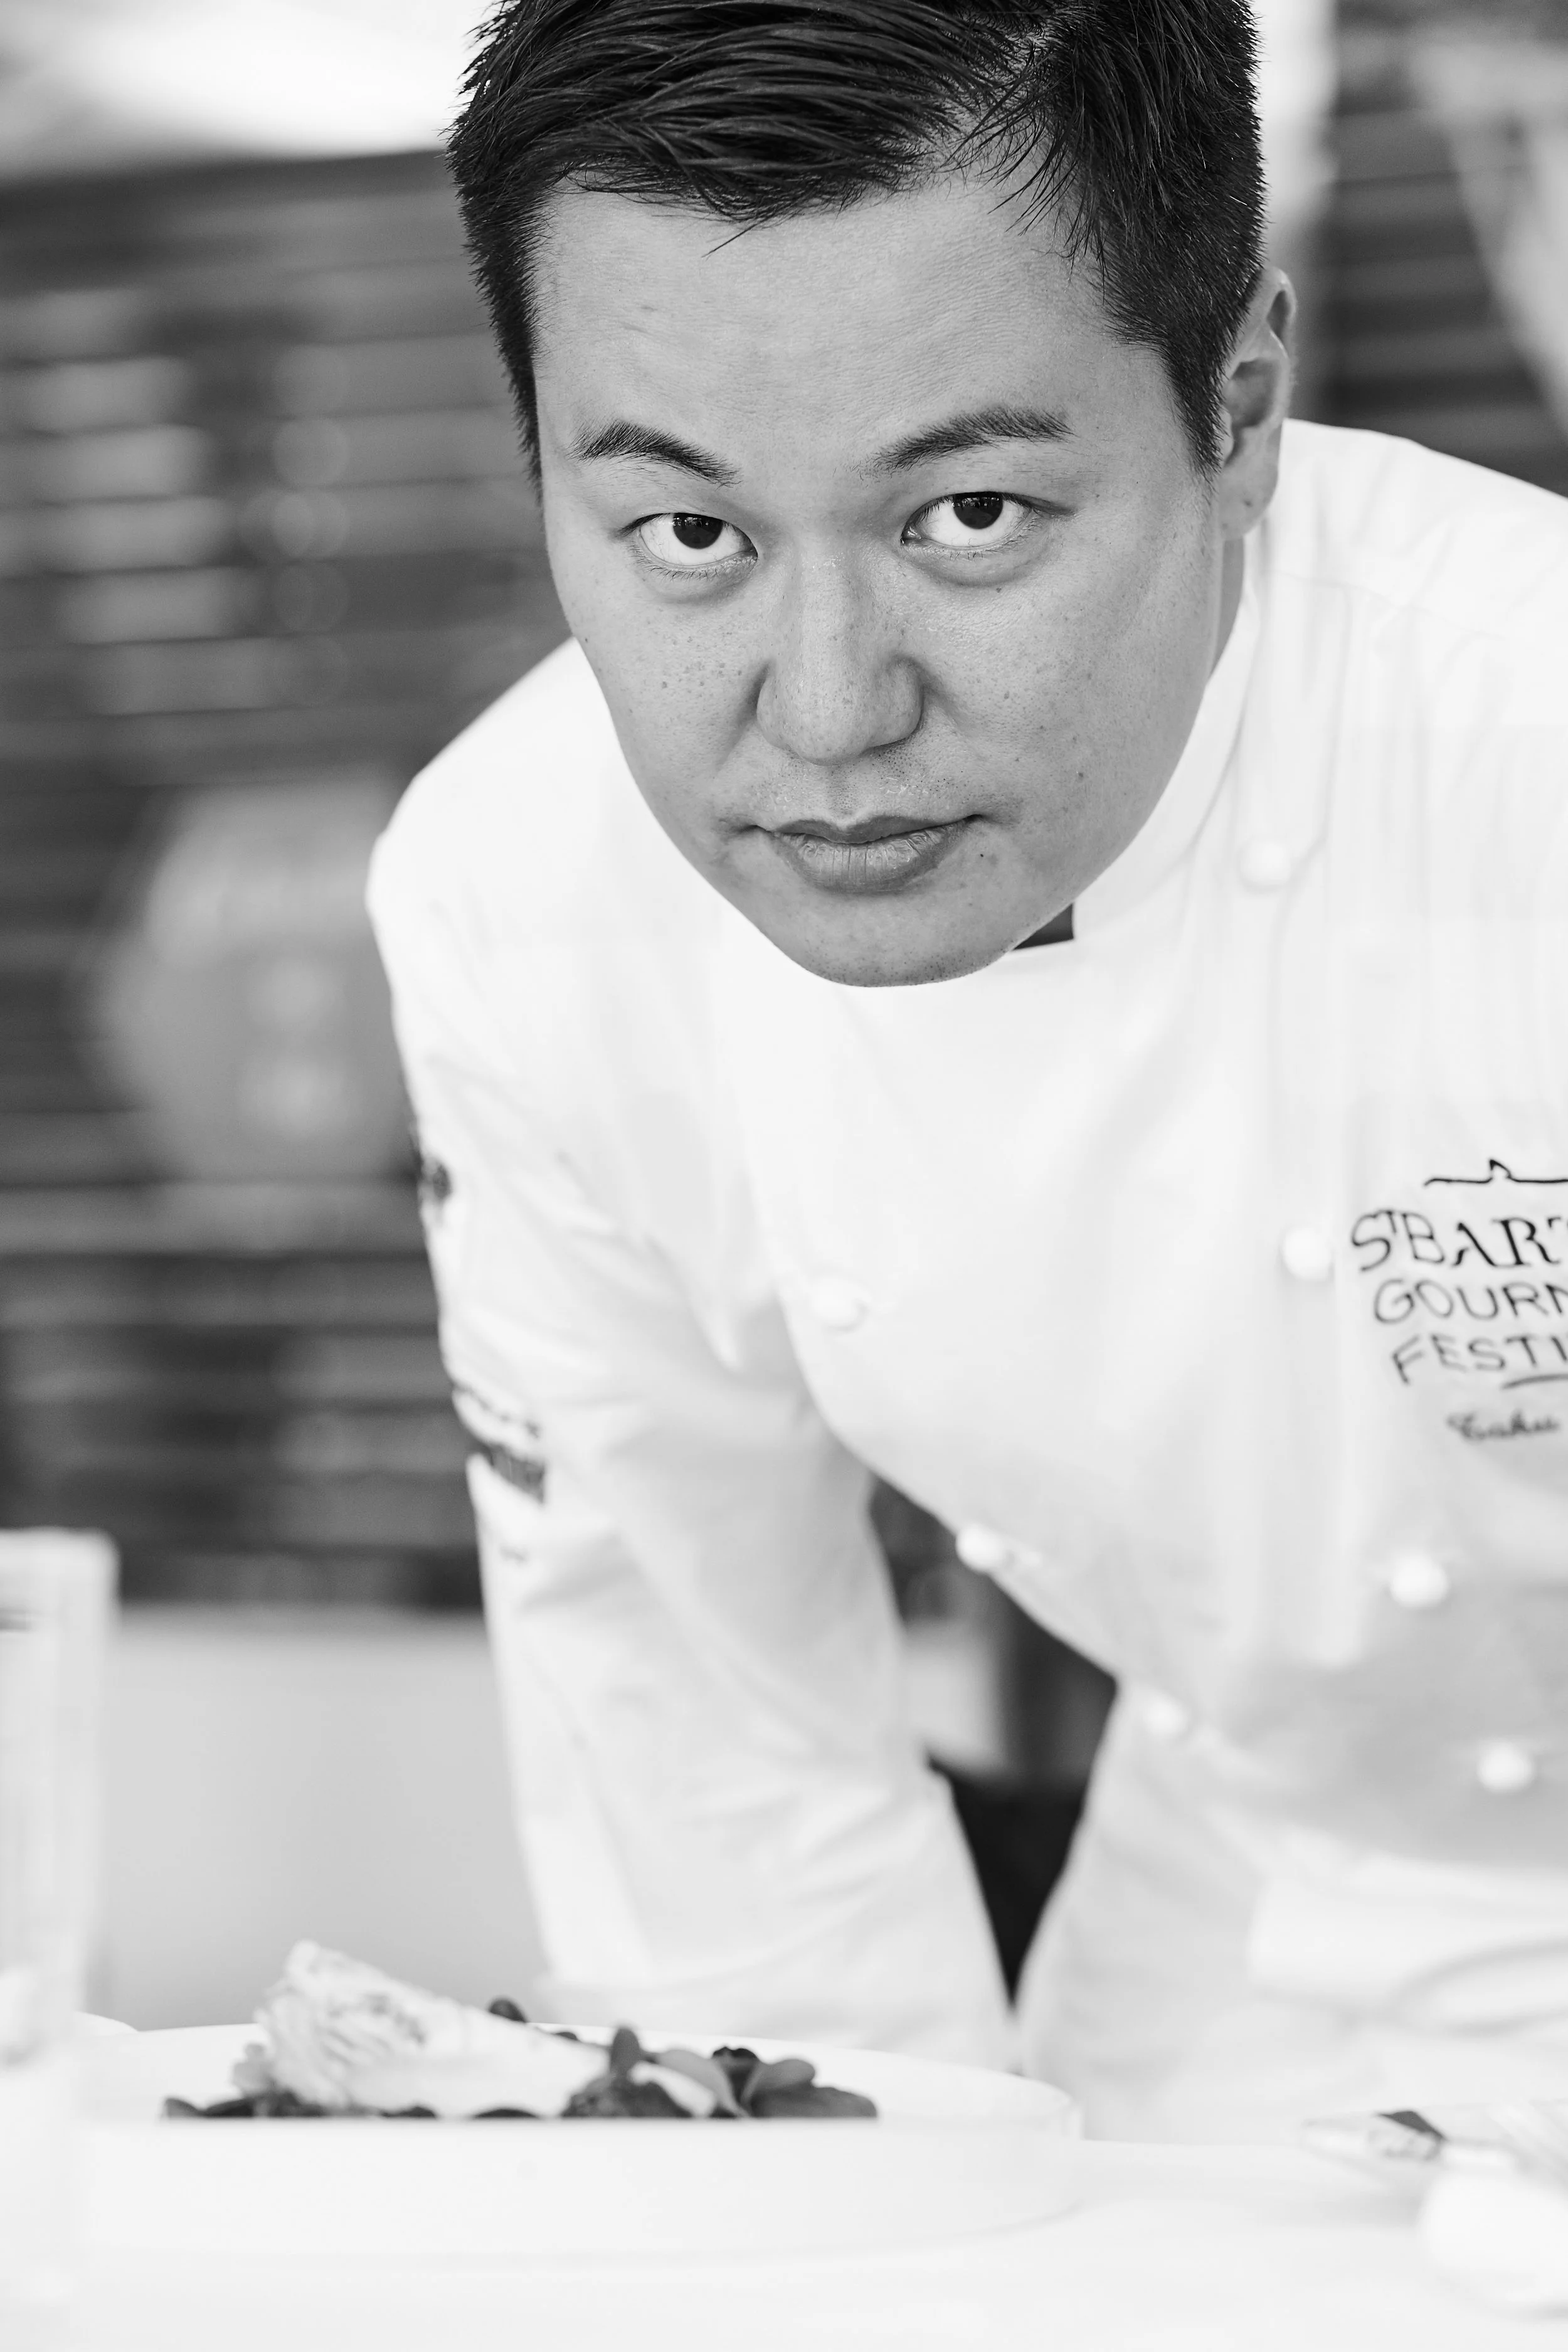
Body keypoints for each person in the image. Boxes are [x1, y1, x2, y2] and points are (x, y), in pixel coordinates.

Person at [367, 0, 1568, 2139]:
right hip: (1252, 1918)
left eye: (973, 515)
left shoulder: (1519, 760)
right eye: (690, 538)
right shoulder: (521, 902)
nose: (823, 715)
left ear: (1241, 403)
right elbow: (705, 1741)